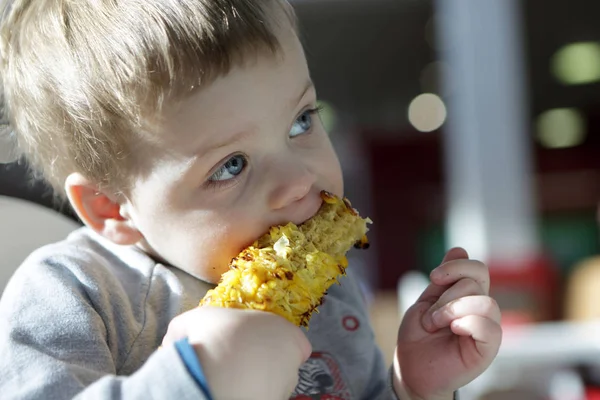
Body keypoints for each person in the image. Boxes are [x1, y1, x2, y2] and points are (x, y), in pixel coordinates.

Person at [0, 0, 502, 399]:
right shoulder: (77, 293)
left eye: (301, 121)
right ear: (112, 208)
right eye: (231, 166)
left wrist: (414, 388)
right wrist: (198, 380)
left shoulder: (331, 293)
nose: (299, 182)